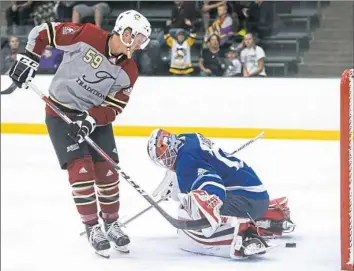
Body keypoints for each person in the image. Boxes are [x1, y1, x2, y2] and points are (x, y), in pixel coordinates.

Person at [9, 10, 151, 258]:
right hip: (60, 113)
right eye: (138, 38)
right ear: (126, 32)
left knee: (108, 172)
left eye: (142, 41)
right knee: (81, 170)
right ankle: (92, 227)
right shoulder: (87, 35)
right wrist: (29, 59)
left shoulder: (129, 70)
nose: (140, 45)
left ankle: (111, 223)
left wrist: (90, 119)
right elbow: (43, 32)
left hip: (94, 120)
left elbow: (114, 107)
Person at [147, 129, 295, 259]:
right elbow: (201, 164)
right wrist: (177, 181)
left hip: (247, 200)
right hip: (257, 194)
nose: (164, 162)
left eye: (162, 157)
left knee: (192, 209)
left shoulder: (186, 162)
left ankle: (245, 236)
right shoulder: (188, 139)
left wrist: (208, 201)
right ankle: (270, 215)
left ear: (167, 148)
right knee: (191, 201)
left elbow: (211, 182)